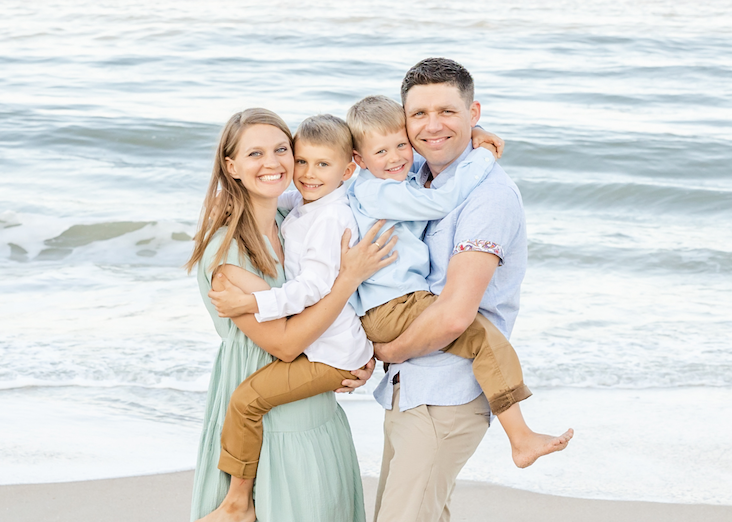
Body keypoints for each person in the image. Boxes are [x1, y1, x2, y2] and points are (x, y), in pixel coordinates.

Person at [370, 58, 573, 522]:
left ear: (474, 112)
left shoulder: (489, 197)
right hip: (410, 390)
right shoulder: (415, 176)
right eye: (418, 114)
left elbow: (456, 316)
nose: (432, 125)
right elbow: (352, 152)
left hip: (447, 394)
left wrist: (385, 350)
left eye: (448, 112)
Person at [184, 108, 395, 522]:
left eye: (282, 149)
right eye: (255, 154)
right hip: (267, 400)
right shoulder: (227, 255)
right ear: (232, 166)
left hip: (314, 400)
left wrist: (469, 143)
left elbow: (373, 160)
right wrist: (349, 278)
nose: (273, 163)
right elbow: (284, 343)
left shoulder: (293, 215)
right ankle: (237, 502)